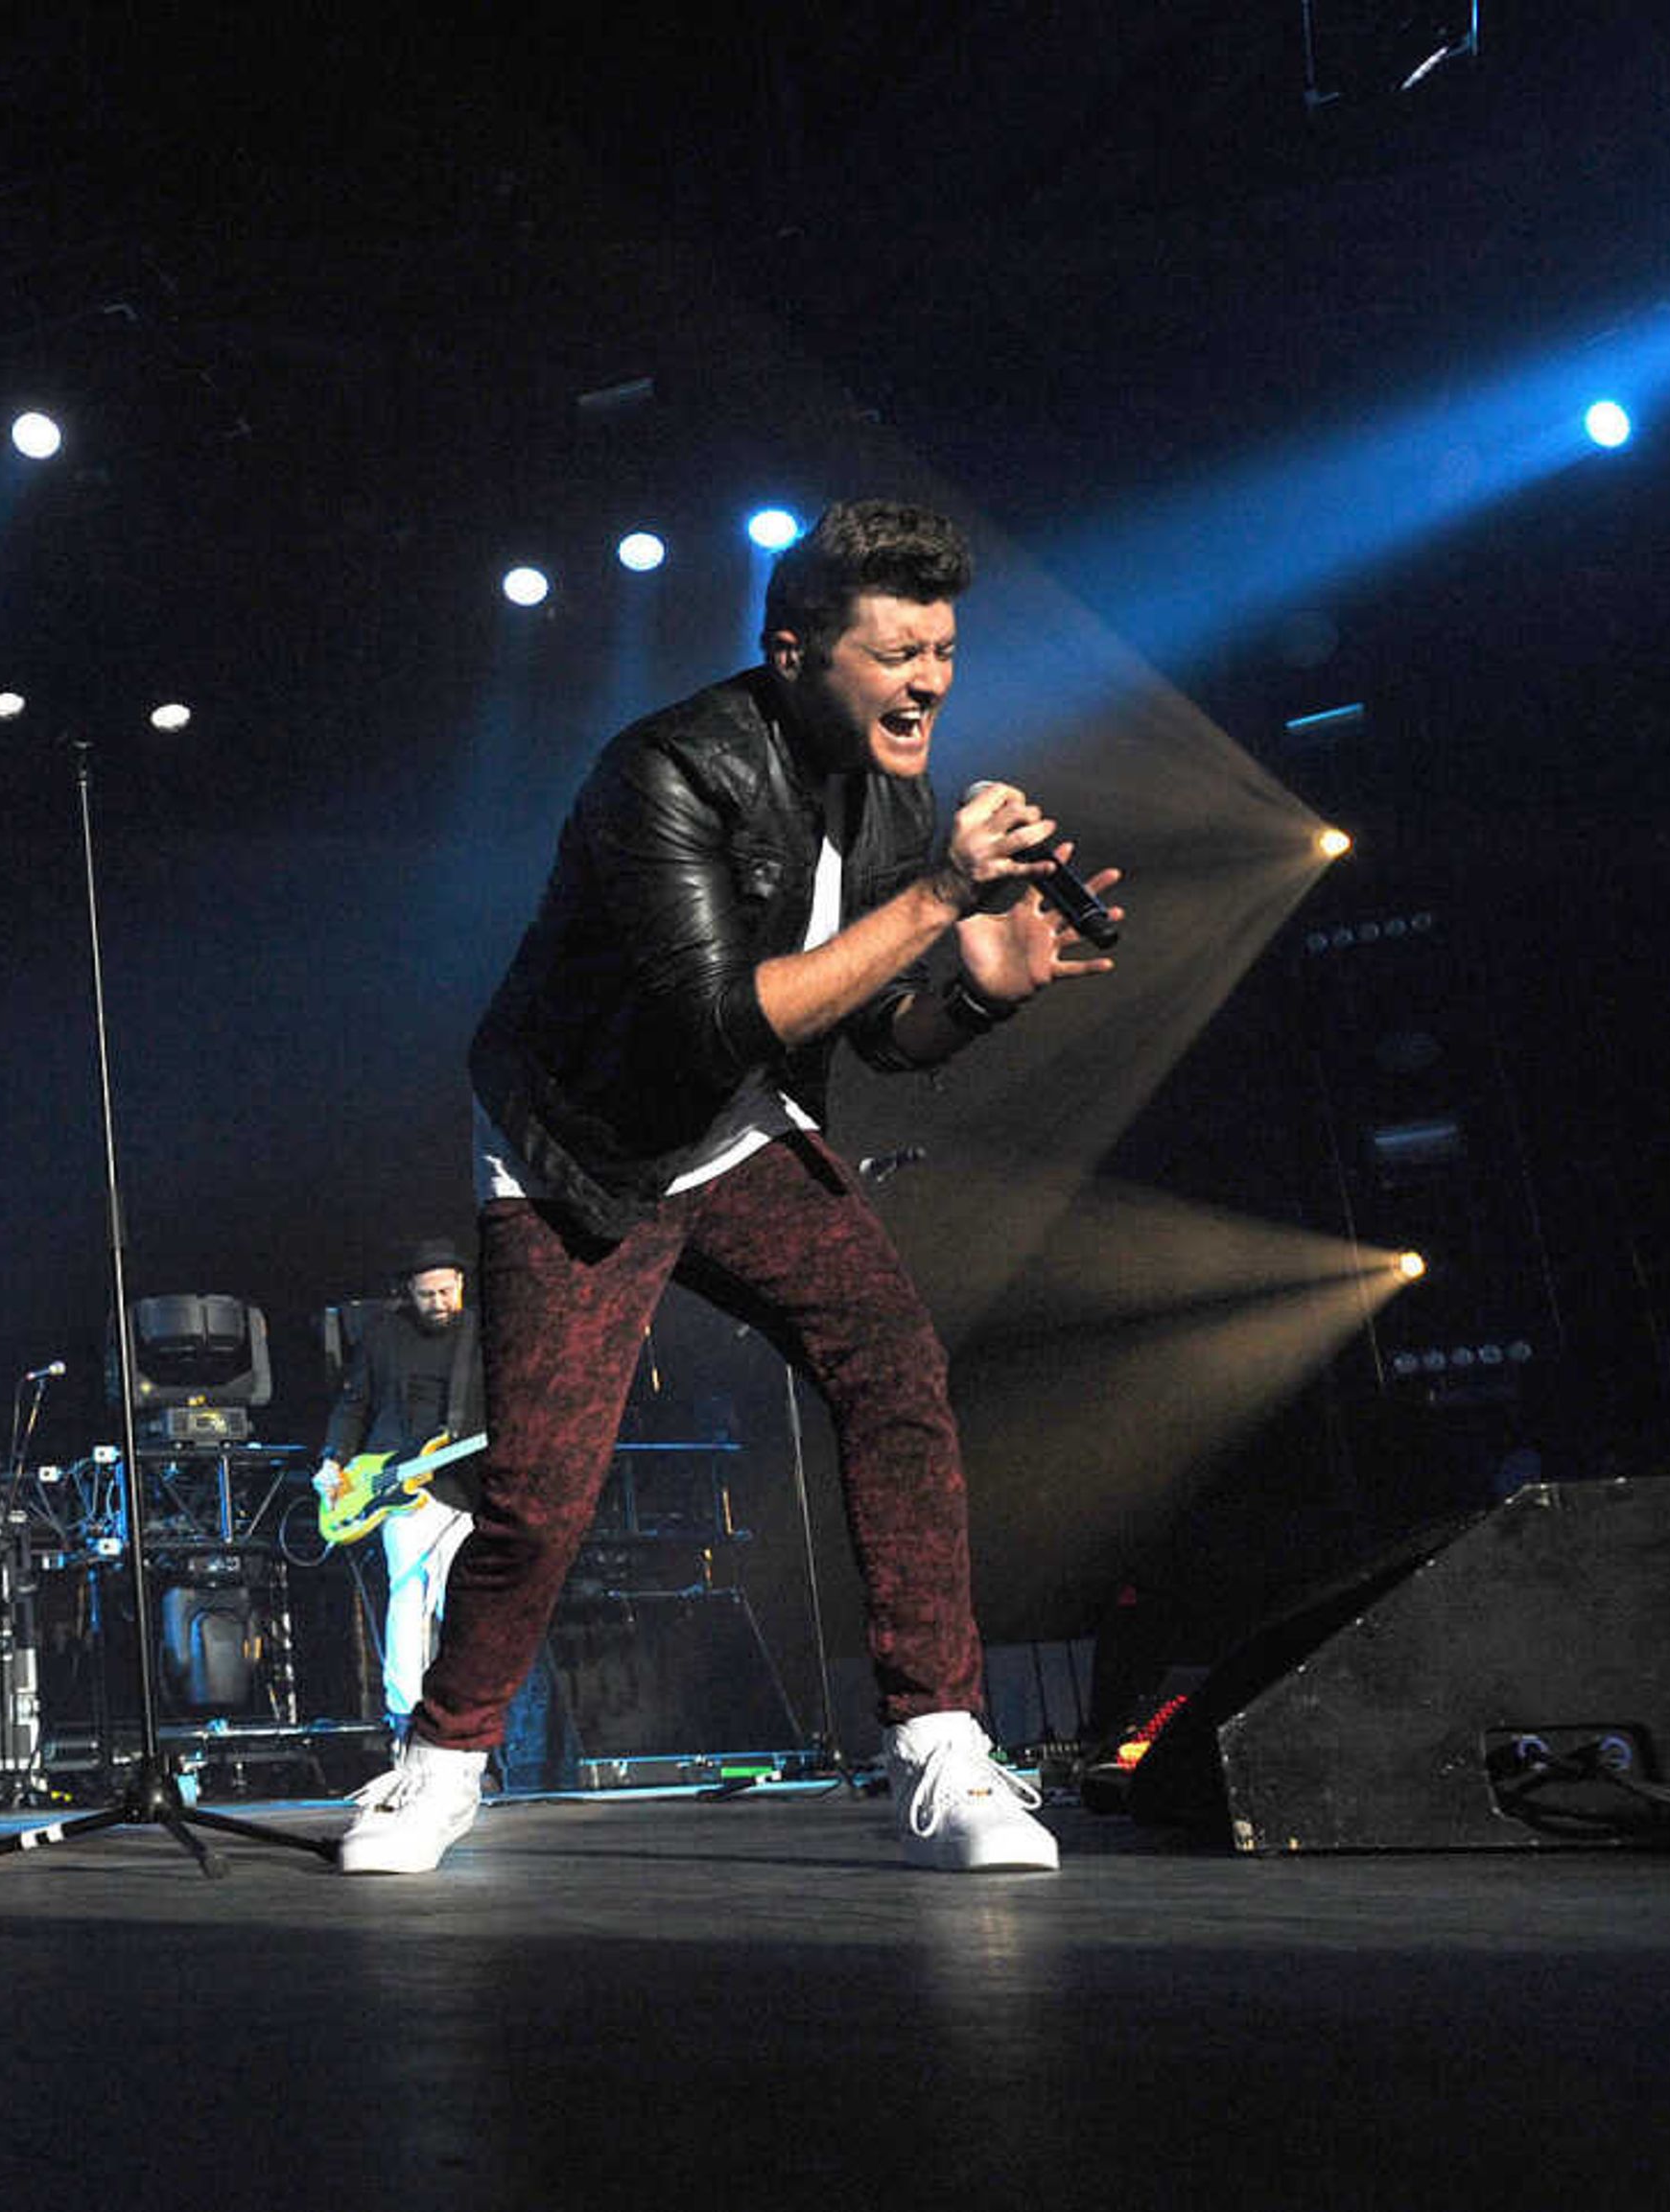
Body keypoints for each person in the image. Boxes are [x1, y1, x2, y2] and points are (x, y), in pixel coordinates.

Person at [340, 500, 1118, 1877]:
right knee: (539, 1490)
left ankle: (939, 1743)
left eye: (941, 649)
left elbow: (871, 1026)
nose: (930, 680)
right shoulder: (668, 773)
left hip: (740, 1140)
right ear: (795, 648)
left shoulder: (893, 797)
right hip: (587, 1148)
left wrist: (984, 1001)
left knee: (895, 1369)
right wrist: (939, 899)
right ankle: (441, 1757)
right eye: (895, 654)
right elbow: (718, 1023)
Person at [311, 1238, 484, 1743]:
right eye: (427, 1294)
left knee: (461, 1603)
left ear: (461, 1285)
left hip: (460, 1483)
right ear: (410, 1291)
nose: (439, 1303)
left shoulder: (480, 1334)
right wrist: (333, 1460)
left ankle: (464, 1717)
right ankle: (405, 1717)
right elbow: (354, 1402)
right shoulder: (384, 1334)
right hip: (391, 1480)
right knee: (407, 1595)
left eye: (446, 1291)